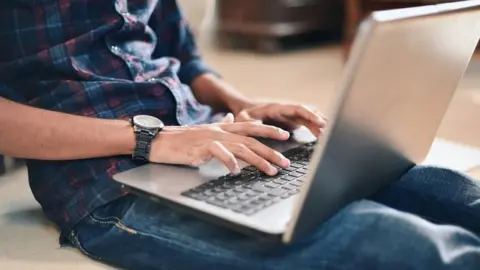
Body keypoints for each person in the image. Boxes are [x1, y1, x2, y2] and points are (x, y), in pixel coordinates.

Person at [0, 0, 480, 269]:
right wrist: (150, 140)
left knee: (448, 190)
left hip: (208, 141)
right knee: (395, 243)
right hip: (108, 185)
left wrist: (238, 102)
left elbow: (183, 56)